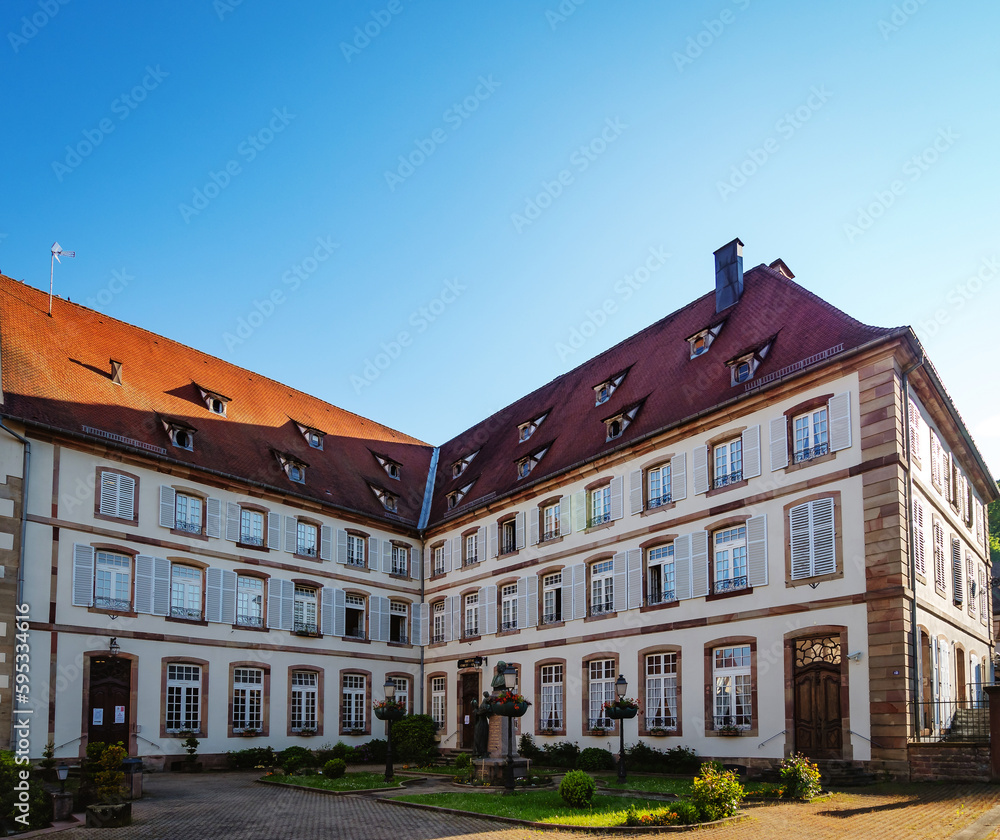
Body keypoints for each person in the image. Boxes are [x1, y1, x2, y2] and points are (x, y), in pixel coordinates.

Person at [472, 692, 491, 757]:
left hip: (483, 724)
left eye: (476, 702)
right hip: (480, 726)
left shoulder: (480, 707)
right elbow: (480, 713)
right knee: (480, 739)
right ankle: (480, 752)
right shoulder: (475, 711)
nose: (476, 703)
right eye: (474, 703)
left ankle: (482, 752)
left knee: (483, 738)